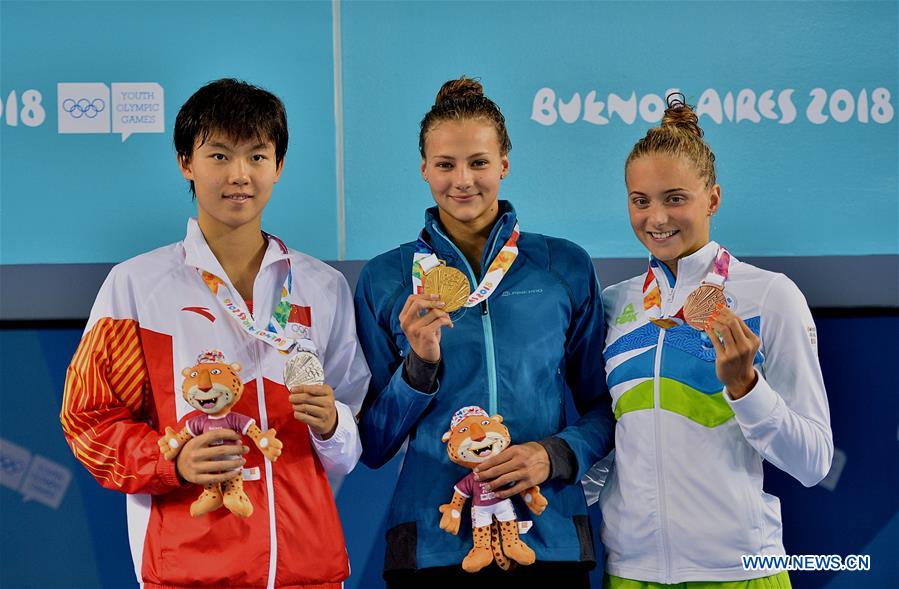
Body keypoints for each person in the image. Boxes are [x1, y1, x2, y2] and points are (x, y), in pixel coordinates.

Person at [60, 78, 370, 589]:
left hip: (308, 569)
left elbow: (349, 438)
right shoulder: (136, 286)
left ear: (279, 166)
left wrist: (332, 425)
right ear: (186, 162)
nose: (240, 176)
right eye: (220, 156)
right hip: (190, 571)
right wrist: (170, 458)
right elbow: (88, 420)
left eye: (257, 156)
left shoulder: (322, 286)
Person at [354, 76, 615, 588]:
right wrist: (419, 365)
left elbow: (605, 407)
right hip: (434, 545)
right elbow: (374, 442)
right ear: (424, 169)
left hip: (548, 541)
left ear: (504, 165)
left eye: (478, 163)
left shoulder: (561, 266)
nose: (463, 180)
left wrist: (555, 454)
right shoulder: (386, 279)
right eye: (446, 165)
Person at [598, 94, 833, 589]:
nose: (656, 218)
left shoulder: (769, 296)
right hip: (630, 573)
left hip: (740, 573)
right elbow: (608, 444)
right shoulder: (613, 305)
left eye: (675, 198)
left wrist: (747, 388)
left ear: (713, 198)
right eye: (640, 201)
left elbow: (814, 462)